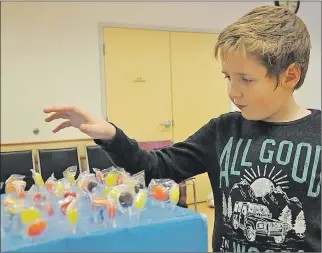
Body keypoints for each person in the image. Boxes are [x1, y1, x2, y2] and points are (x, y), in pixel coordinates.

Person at [43, 5, 321, 252]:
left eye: (246, 79)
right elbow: (156, 169)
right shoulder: (222, 131)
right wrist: (111, 136)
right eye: (228, 77)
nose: (233, 92)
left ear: (290, 75)